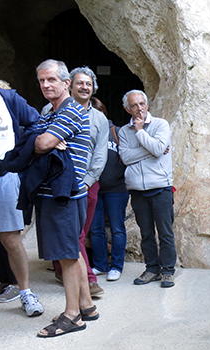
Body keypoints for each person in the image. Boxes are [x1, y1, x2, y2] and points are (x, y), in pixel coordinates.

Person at [31, 59, 98, 337]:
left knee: (67, 255)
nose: (46, 85)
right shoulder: (51, 113)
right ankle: (86, 305)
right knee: (73, 250)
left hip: (65, 195)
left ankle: (72, 317)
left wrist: (40, 141)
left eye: (52, 80)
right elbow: (37, 135)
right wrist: (39, 137)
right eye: (42, 81)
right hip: (60, 194)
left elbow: (41, 143)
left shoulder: (68, 110)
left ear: (65, 83)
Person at [0, 58, 44, 316]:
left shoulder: (7, 99)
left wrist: (21, 157)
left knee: (10, 238)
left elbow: (36, 123)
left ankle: (25, 293)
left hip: (3, 177)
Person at [47, 67, 108, 298]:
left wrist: (87, 181)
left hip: (86, 184)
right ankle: (63, 270)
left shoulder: (99, 118)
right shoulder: (50, 109)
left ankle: (88, 280)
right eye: (80, 83)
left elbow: (100, 154)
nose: (84, 87)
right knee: (58, 229)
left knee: (79, 232)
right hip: (57, 180)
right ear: (69, 84)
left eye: (89, 84)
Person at [118, 90, 176, 288]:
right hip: (137, 189)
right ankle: (152, 268)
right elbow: (125, 157)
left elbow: (159, 149)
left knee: (165, 232)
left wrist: (141, 132)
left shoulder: (161, 124)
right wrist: (152, 150)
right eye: (134, 105)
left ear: (147, 104)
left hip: (160, 186)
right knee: (146, 232)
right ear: (128, 108)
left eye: (142, 103)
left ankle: (168, 271)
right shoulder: (124, 131)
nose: (139, 108)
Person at [89, 96, 128, 281]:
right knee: (95, 229)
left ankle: (117, 266)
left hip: (117, 189)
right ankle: (100, 264)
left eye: (99, 113)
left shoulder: (117, 132)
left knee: (117, 227)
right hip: (95, 187)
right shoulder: (87, 133)